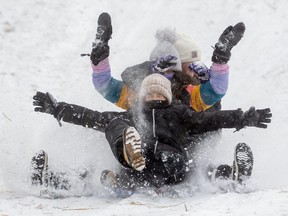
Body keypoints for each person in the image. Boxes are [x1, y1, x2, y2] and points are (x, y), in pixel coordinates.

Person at [31, 74, 271, 196]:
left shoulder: (180, 112)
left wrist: (243, 117)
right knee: (111, 131)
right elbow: (89, 116)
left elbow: (211, 119)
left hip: (173, 165)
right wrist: (57, 107)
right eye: (149, 93)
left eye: (158, 93)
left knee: (200, 169)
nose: (153, 96)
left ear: (167, 96)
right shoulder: (134, 115)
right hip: (144, 168)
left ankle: (232, 175)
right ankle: (55, 180)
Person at [89, 12, 245, 113]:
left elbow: (216, 92)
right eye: (189, 63)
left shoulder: (191, 91)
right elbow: (104, 84)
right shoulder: (143, 90)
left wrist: (220, 59)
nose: (194, 68)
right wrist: (100, 56)